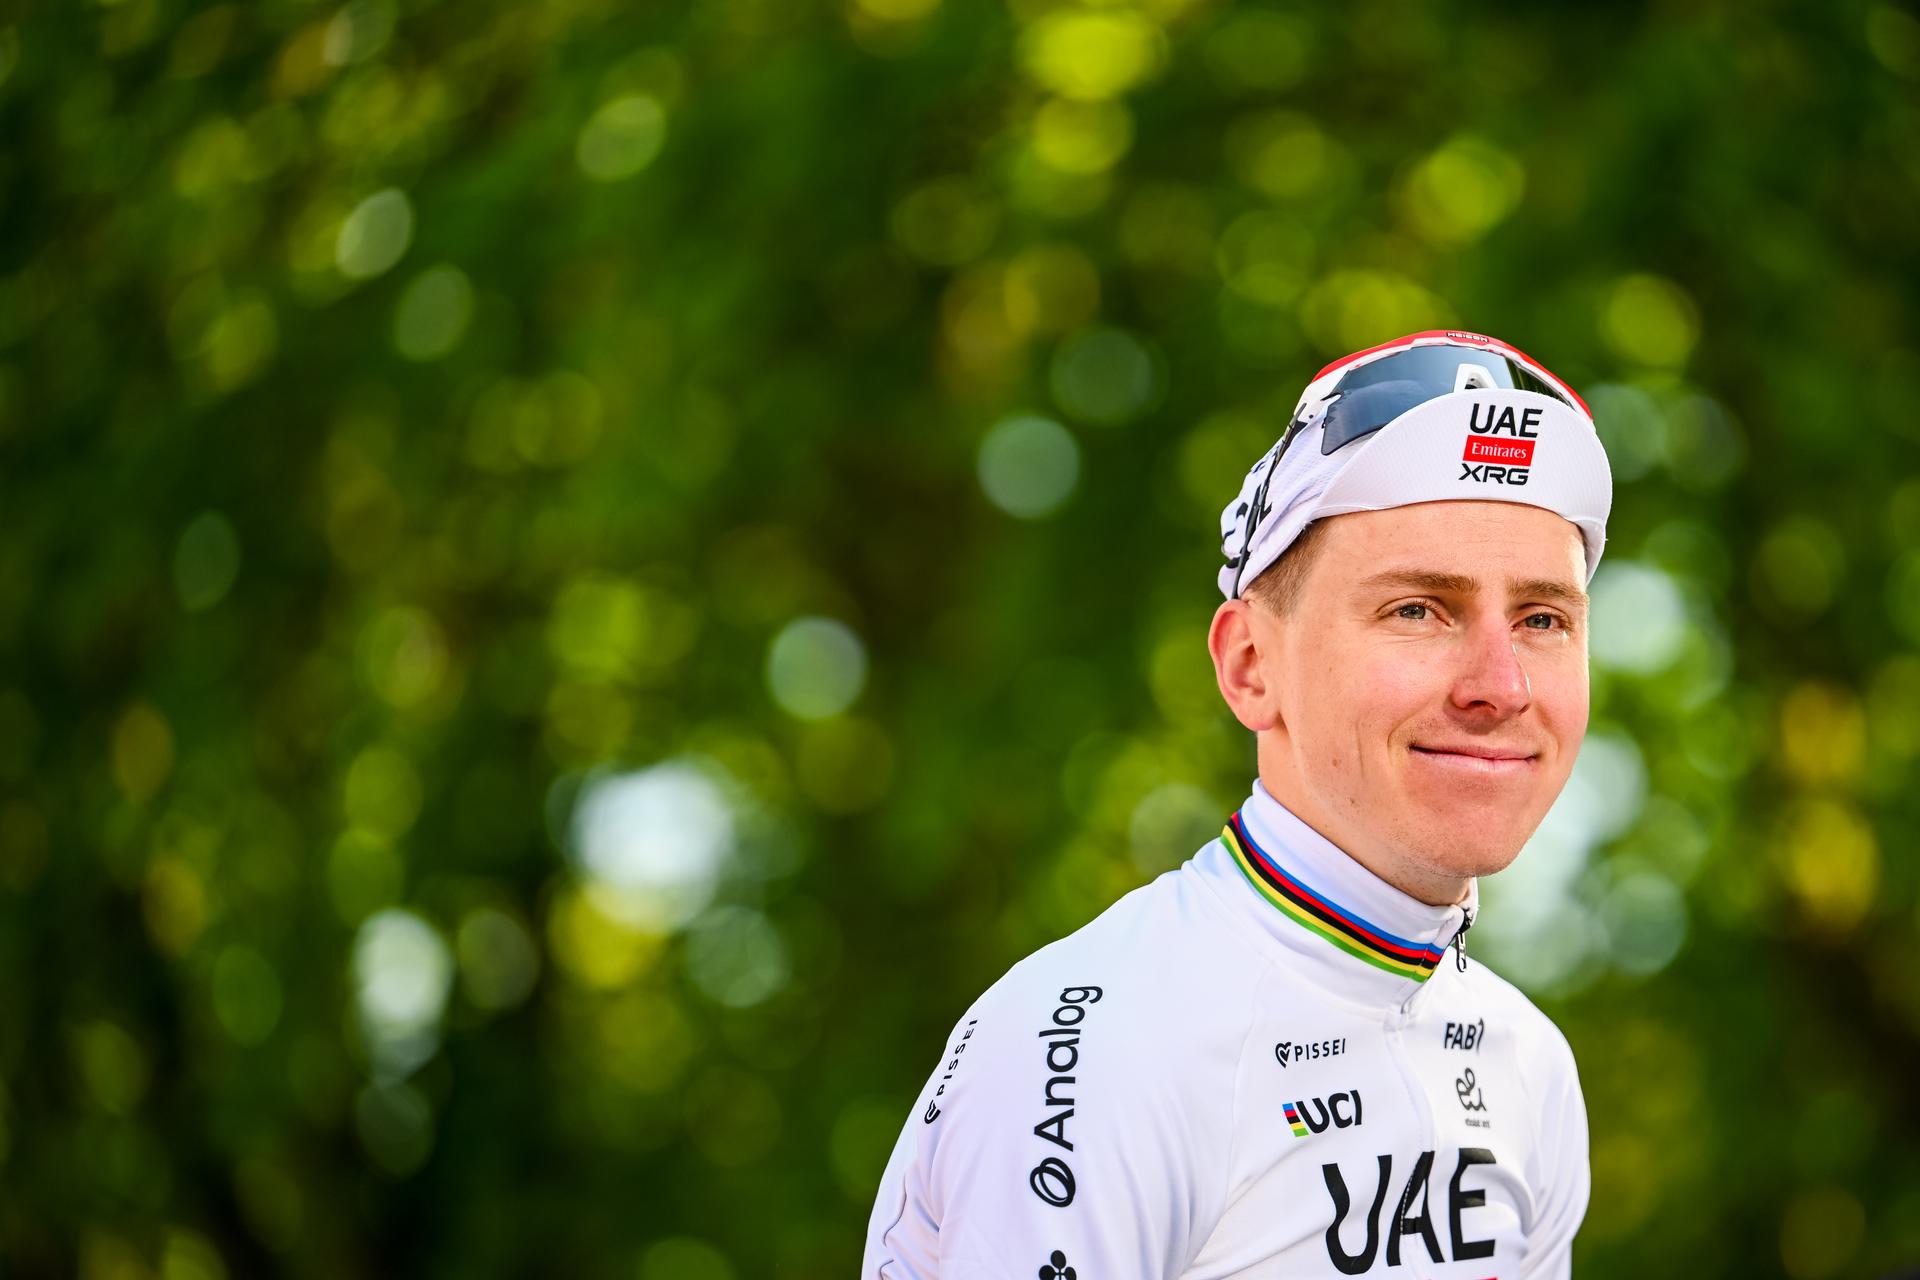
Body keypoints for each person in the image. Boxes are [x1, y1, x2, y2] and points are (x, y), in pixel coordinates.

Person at [862, 330, 1609, 1278]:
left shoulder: (1528, 1066)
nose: (1500, 685)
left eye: (1543, 619)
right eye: (1419, 609)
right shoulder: (1097, 1047)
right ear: (1251, 667)